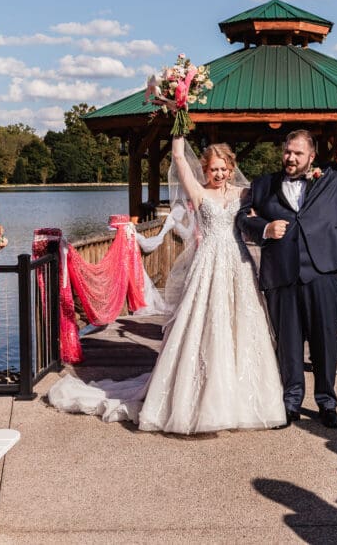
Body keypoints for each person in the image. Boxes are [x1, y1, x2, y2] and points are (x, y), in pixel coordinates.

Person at [49, 138, 287, 433]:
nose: (219, 174)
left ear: (231, 168)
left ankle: (243, 398)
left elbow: (274, 197)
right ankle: (202, 399)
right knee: (206, 324)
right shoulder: (198, 192)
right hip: (208, 264)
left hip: (238, 264)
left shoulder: (244, 193)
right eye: (214, 169)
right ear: (205, 169)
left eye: (224, 168)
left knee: (240, 324)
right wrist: (178, 123)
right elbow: (179, 158)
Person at [236, 107, 337, 428]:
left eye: (298, 153)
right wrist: (264, 229)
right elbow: (242, 217)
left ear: (312, 157)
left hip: (323, 273)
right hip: (281, 276)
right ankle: (290, 401)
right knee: (288, 344)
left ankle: (327, 402)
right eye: (287, 151)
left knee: (325, 342)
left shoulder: (333, 177)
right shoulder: (263, 184)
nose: (291, 157)